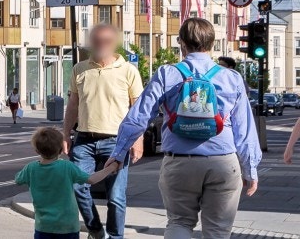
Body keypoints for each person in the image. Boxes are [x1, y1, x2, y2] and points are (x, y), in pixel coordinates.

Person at [105, 17, 260, 239]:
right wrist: (250, 169)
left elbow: (139, 116)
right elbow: (244, 130)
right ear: (212, 44)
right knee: (218, 230)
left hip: (179, 162)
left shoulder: (167, 74)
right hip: (222, 162)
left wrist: (119, 153)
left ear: (182, 43)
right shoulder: (231, 78)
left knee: (179, 222)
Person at [64, 24, 145, 239]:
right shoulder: (79, 69)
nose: (101, 45)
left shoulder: (128, 70)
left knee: (116, 197)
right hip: (84, 139)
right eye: (97, 41)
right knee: (78, 187)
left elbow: (138, 109)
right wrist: (65, 134)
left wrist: (138, 139)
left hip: (117, 142)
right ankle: (96, 231)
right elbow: (73, 105)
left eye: (106, 41)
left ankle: (115, 236)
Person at [15, 126, 115, 239]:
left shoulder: (31, 168)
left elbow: (18, 180)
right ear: (61, 149)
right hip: (68, 226)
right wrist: (110, 168)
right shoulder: (67, 167)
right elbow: (91, 179)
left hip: (43, 226)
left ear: (37, 150)